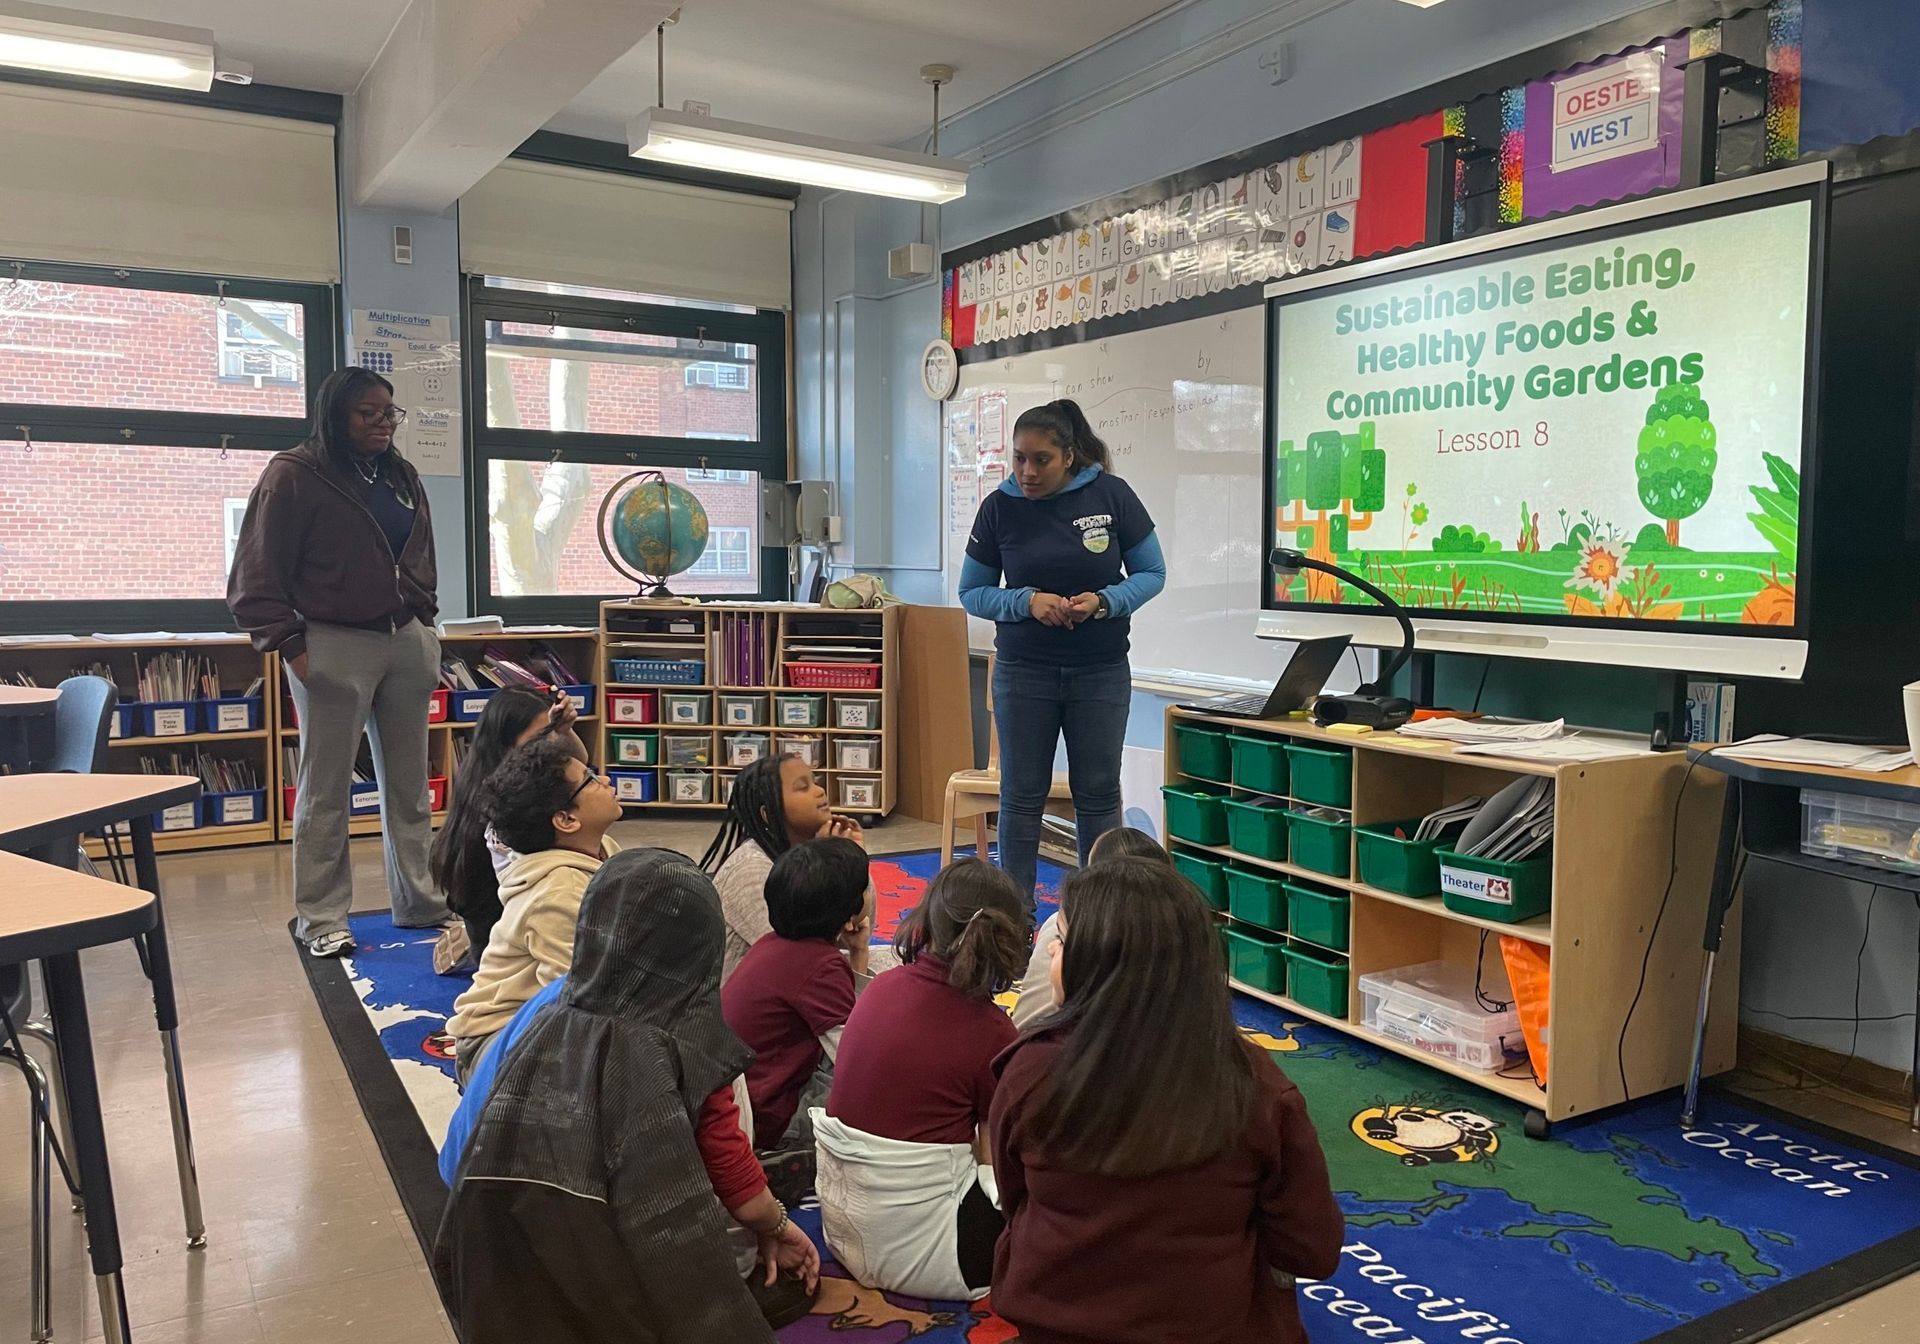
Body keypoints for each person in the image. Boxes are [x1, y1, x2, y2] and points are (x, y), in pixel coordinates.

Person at [434, 848, 817, 1343]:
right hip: (598, 1282)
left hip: (484, 1256)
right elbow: (726, 1180)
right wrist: (778, 1226)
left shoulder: (547, 1007)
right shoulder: (683, 1044)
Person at [989, 858, 1343, 1344]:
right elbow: (1312, 1249)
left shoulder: (1028, 1070)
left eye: (1063, 941)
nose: (1050, 947)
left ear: (1101, 965)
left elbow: (1013, 1201)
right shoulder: (1257, 1086)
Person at [229, 365, 446, 958]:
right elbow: (253, 576)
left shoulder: (400, 474)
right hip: (331, 644)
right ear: (335, 415)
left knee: (410, 788)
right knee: (325, 792)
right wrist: (294, 649)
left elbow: (420, 554)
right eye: (367, 413)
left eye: (389, 413)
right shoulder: (294, 475)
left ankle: (421, 902)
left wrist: (425, 623)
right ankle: (322, 918)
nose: (382, 423)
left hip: (405, 639)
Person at [957, 399, 1166, 908]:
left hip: (1100, 672)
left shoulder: (1111, 495)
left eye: (1041, 460)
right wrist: (1026, 602)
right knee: (1021, 796)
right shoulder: (999, 508)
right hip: (1023, 672)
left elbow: (1152, 573)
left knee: (1098, 793)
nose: (1027, 471)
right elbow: (972, 592)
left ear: (1069, 456)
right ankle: (1014, 914)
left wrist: (1105, 601)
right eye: (1019, 458)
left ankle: (1100, 912)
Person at [813, 858, 1031, 1302]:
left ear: (925, 920)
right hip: (934, 1256)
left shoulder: (881, 987)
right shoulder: (993, 1031)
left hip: (841, 1230)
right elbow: (996, 1158)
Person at [445, 736, 622, 1086]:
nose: (604, 779)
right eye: (590, 779)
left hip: (537, 1025)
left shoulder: (601, 848)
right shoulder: (557, 895)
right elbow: (577, 1001)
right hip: (493, 1041)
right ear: (566, 820)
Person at [721, 838, 873, 1150]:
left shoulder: (773, 944)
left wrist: (858, 954)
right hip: (770, 1118)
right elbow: (856, 1055)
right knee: (885, 1083)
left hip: (740, 1103)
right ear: (849, 913)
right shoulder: (821, 967)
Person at [429, 685, 588, 969]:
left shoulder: (504, 782)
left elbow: (579, 767)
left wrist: (564, 730)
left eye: (551, 734)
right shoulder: (509, 806)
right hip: (508, 950)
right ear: (505, 745)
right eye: (540, 738)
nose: (551, 747)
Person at [701, 753, 865, 981]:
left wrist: (853, 861)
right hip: (759, 991)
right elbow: (794, 957)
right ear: (768, 814)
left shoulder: (806, 852)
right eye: (803, 787)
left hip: (804, 974)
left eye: (814, 782)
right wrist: (827, 866)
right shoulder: (749, 871)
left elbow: (859, 923)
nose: (820, 791)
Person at [1009, 826, 1170, 1029]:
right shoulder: (1166, 935)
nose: (1053, 948)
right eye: (1061, 942)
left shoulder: (1080, 925)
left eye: (1061, 943)